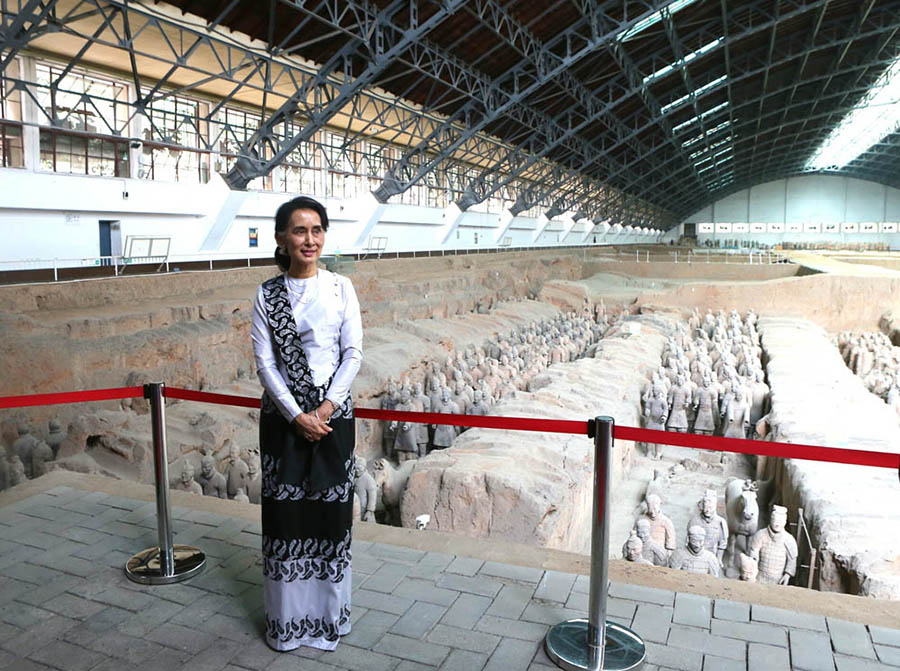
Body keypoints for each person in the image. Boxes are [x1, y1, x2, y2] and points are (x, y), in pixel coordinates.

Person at [251, 196, 363, 653]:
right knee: (287, 519)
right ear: (282, 238)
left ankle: (328, 619)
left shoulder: (341, 288)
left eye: (316, 230)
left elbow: (353, 352)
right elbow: (265, 362)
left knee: (330, 519)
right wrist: (296, 414)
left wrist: (324, 409)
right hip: (284, 423)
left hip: (333, 421)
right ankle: (288, 625)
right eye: (299, 231)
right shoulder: (266, 295)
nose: (309, 239)